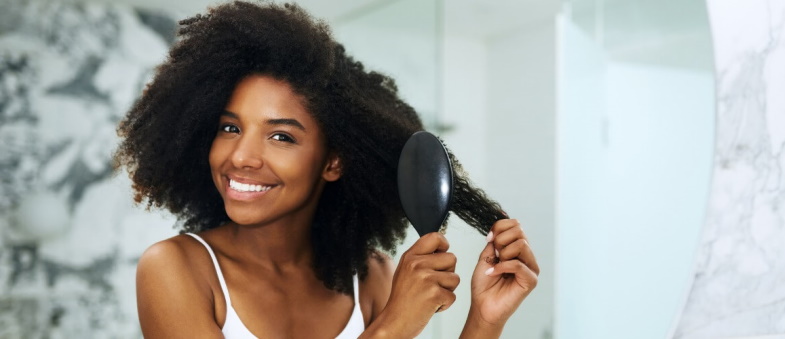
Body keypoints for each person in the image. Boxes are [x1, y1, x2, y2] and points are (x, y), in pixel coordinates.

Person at [115, 2, 538, 338]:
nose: (241, 156)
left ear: (333, 161)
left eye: (281, 136)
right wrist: (393, 327)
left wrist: (485, 320)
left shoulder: (370, 277)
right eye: (230, 127)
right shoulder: (177, 269)